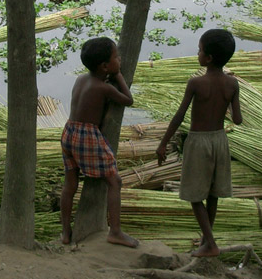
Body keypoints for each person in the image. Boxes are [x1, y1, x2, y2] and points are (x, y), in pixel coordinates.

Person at [156, 28, 243, 257]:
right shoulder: (233, 84)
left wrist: (163, 143)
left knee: (194, 196)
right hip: (220, 140)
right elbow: (238, 119)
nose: (198, 54)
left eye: (200, 50)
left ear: (209, 58)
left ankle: (211, 244)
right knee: (213, 194)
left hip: (198, 142)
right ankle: (206, 240)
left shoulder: (196, 83)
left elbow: (179, 115)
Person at [59, 36, 139, 248]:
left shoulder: (80, 80)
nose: (120, 59)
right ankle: (115, 232)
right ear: (105, 66)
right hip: (87, 136)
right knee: (115, 181)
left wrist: (111, 73)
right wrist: (119, 75)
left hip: (69, 131)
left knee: (70, 185)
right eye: (116, 57)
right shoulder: (105, 88)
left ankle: (66, 232)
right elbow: (128, 100)